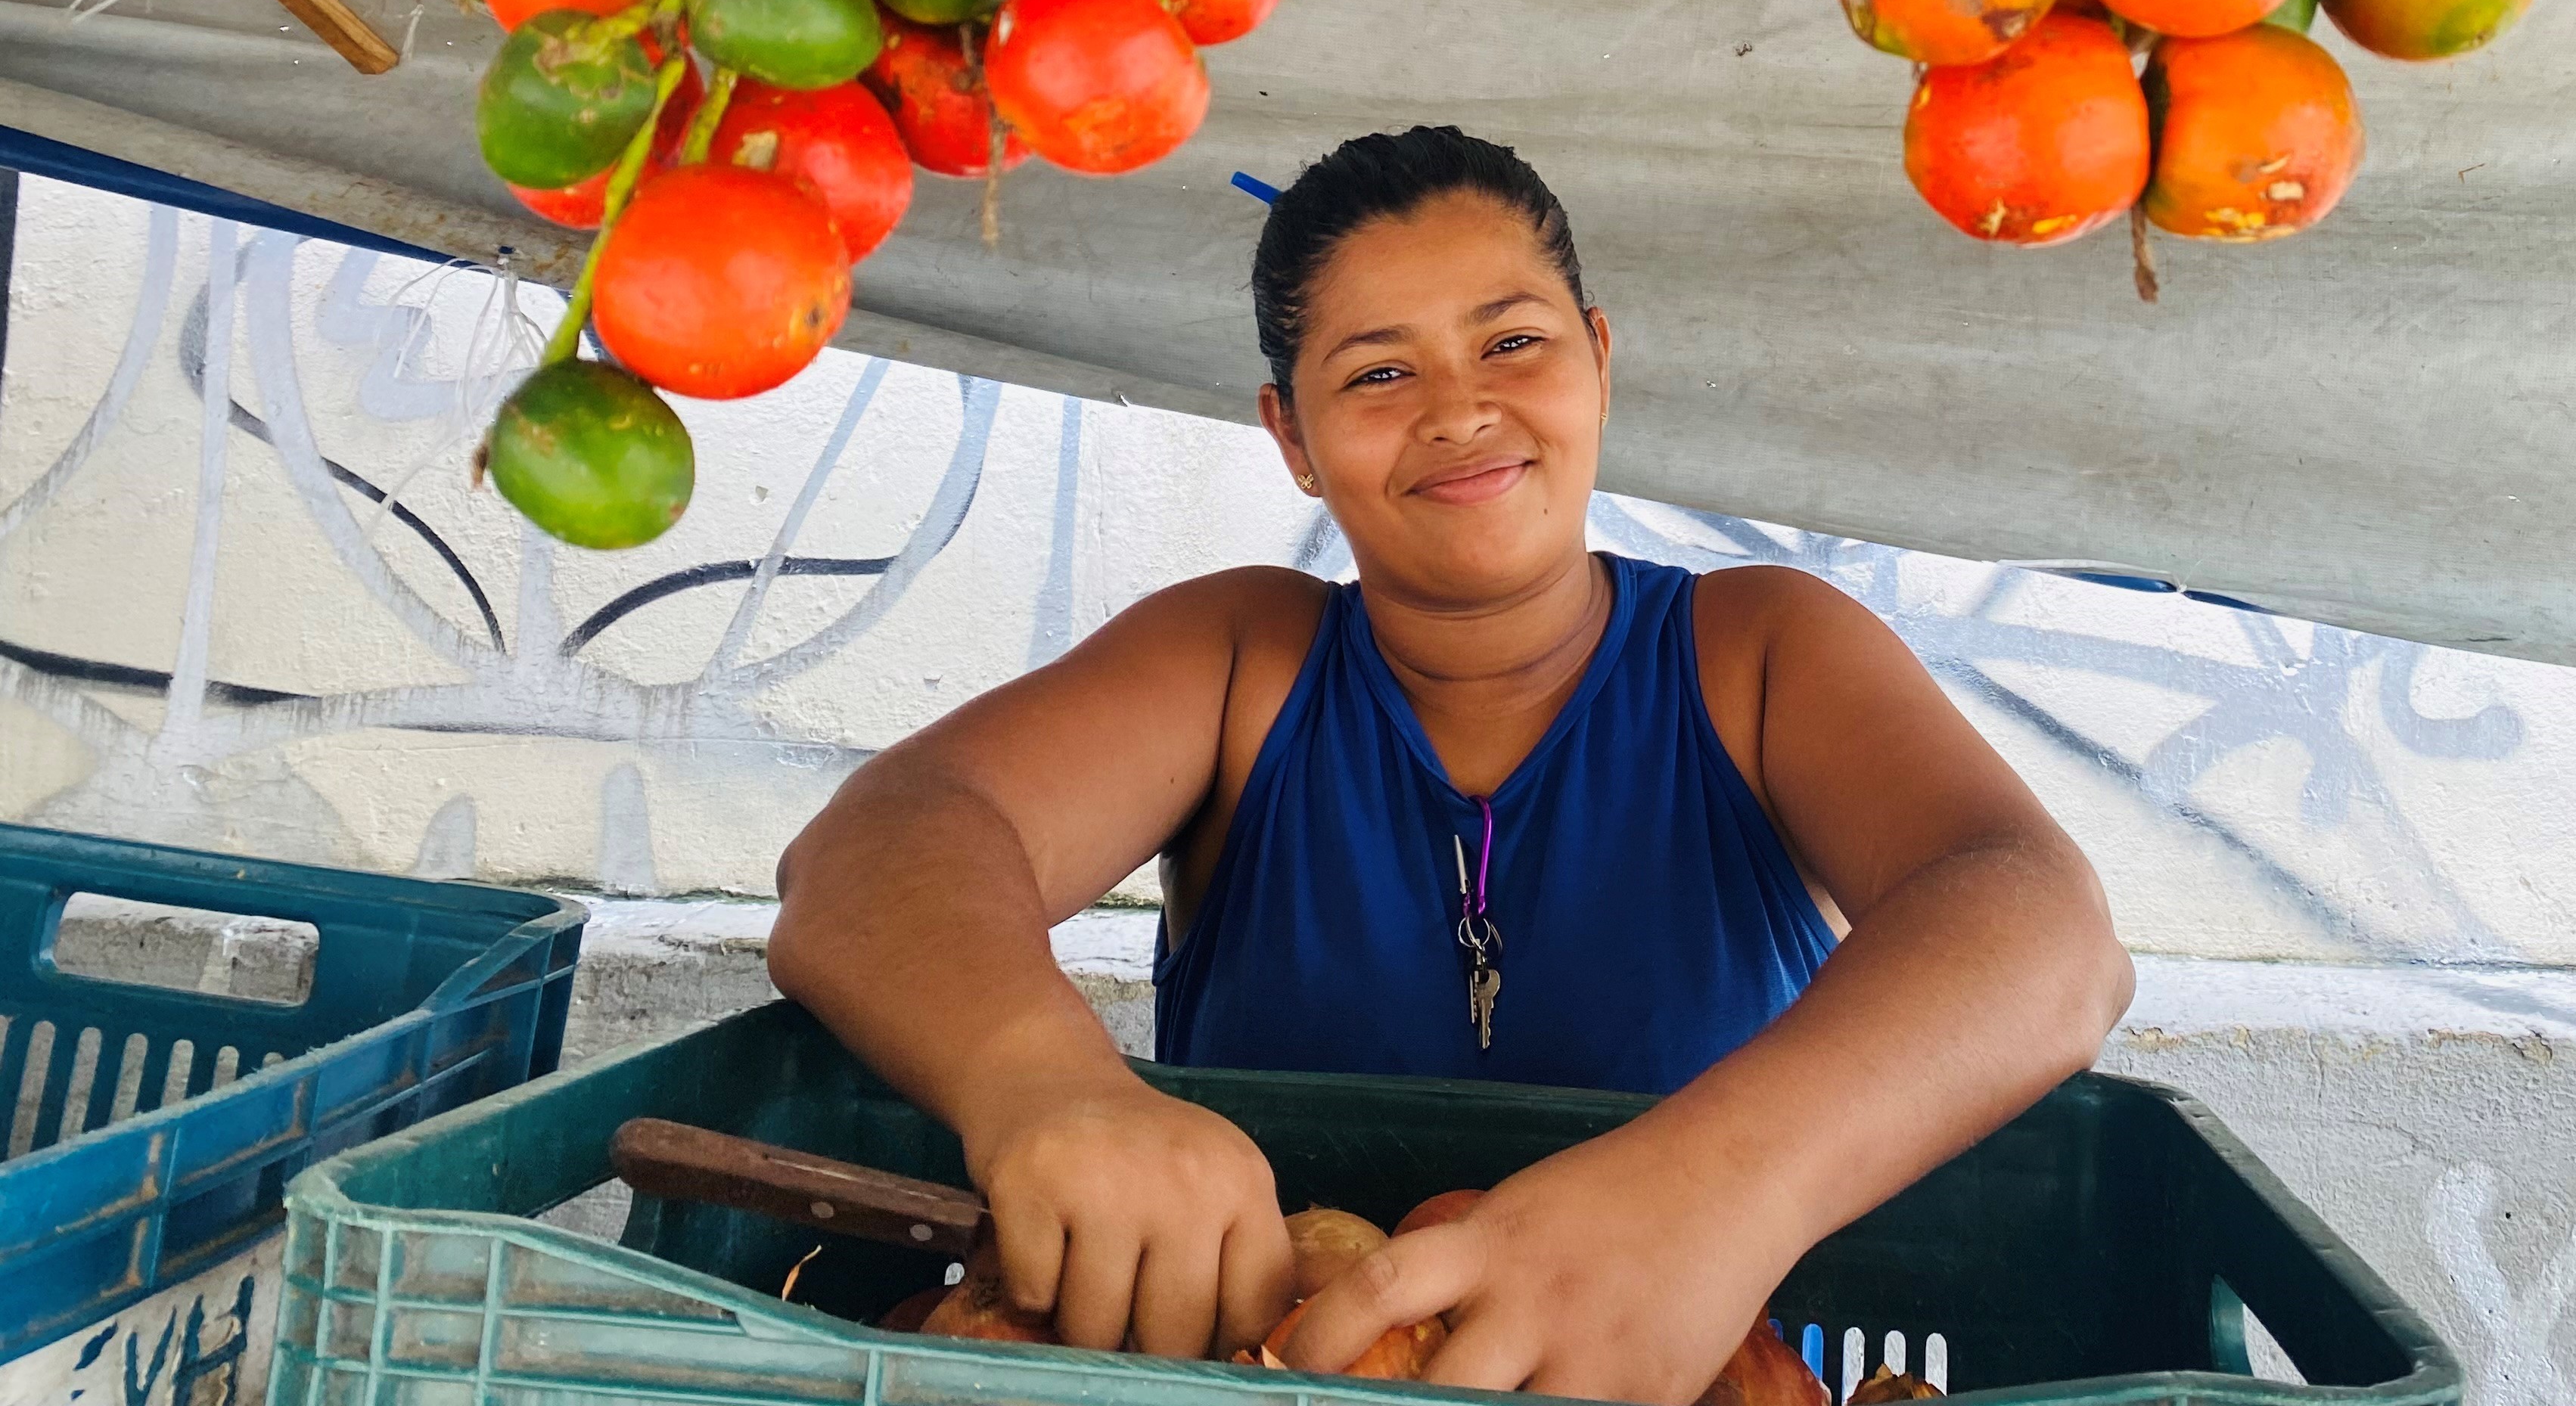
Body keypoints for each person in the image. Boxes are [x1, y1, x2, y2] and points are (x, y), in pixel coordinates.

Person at [769, 126, 2132, 1406]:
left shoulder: (1759, 650)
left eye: (1514, 342)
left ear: (1599, 359)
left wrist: (1724, 1189)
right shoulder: (1239, 660)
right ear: (1292, 437)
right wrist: (1045, 1088)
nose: (1460, 410)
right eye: (1376, 371)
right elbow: (885, 848)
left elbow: (2036, 923)